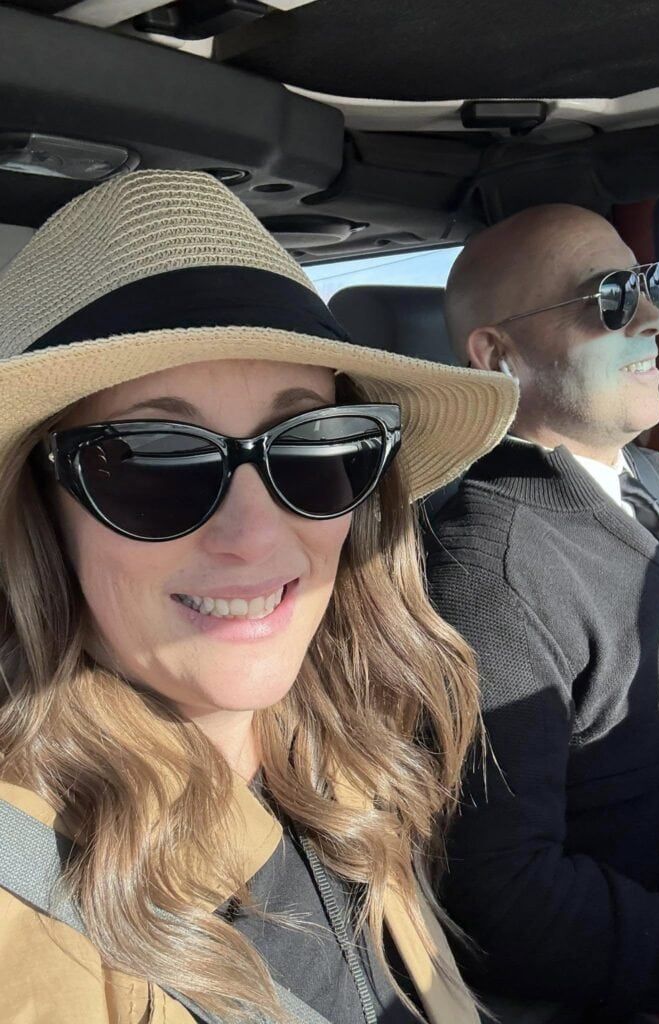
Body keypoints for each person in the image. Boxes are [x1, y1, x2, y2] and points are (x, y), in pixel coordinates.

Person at [0, 169, 519, 1024]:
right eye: (153, 459)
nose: (257, 536)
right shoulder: (30, 899)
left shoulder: (339, 756)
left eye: (316, 448)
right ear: (39, 509)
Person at [427, 204, 659, 1024]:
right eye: (610, 297)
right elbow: (504, 900)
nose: (653, 318)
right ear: (497, 355)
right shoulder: (487, 571)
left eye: (647, 283)